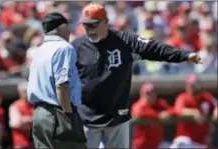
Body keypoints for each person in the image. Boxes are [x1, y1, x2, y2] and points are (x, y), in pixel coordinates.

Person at [71, 3, 202, 148]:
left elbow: (154, 49)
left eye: (94, 24)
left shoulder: (125, 41)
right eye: (86, 25)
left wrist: (184, 55)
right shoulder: (76, 46)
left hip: (117, 115)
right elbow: (65, 82)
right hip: (87, 117)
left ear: (106, 22)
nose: (90, 29)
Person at [27, 12, 86, 148]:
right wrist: (68, 115)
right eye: (67, 26)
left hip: (39, 115)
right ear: (60, 28)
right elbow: (62, 86)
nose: (70, 30)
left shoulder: (39, 50)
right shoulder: (64, 47)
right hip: (59, 113)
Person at [170, 74, 217, 148]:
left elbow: (216, 105)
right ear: (187, 86)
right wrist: (194, 112)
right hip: (185, 139)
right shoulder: (183, 97)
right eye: (191, 85)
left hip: (201, 142)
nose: (194, 88)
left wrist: (216, 111)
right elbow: (178, 110)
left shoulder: (207, 97)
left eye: (196, 85)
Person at [131, 82, 177, 149]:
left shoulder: (160, 103)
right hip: (141, 145)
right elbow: (138, 114)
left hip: (158, 144)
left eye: (152, 93)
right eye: (148, 93)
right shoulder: (138, 105)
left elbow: (174, 111)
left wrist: (168, 113)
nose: (150, 95)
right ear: (142, 94)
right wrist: (158, 115)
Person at [9, 81, 34, 148]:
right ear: (20, 92)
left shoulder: (34, 105)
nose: (26, 93)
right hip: (20, 142)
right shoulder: (15, 106)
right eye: (24, 91)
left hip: (33, 142)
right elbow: (15, 123)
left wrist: (24, 120)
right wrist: (31, 120)